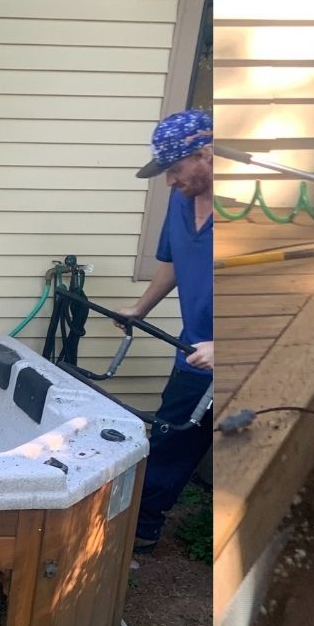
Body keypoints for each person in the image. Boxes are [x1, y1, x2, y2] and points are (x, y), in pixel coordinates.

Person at [125, 108, 214, 553]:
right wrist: (140, 310)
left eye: (175, 169)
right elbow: (174, 264)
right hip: (193, 351)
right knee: (170, 437)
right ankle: (140, 535)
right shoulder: (181, 203)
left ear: (206, 154)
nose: (170, 181)